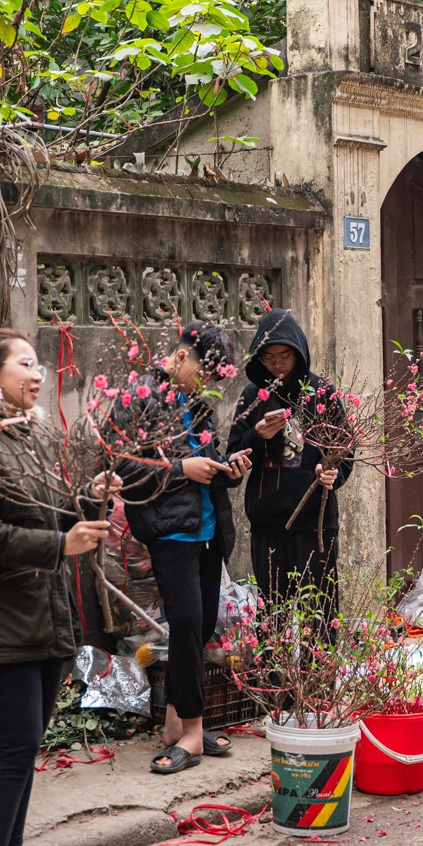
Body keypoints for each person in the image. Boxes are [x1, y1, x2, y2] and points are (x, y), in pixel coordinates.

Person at [0, 329, 114, 846]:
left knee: (24, 749)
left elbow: (44, 512)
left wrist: (86, 495)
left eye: (39, 366)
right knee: (16, 748)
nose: (38, 375)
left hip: (42, 610)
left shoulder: (26, 436)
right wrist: (61, 546)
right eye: (26, 365)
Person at [103, 322, 249, 775]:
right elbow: (123, 466)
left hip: (208, 529)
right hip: (170, 533)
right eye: (204, 374)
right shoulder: (139, 398)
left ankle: (176, 722)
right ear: (182, 357)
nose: (206, 385)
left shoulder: (198, 405)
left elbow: (209, 458)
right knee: (185, 623)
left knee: (201, 624)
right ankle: (191, 733)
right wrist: (183, 468)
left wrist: (230, 469)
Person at [226, 309, 352, 610]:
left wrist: (331, 474)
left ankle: (319, 661)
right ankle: (274, 662)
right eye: (269, 358)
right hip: (268, 520)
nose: (277, 364)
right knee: (273, 614)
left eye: (284, 355)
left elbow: (344, 448)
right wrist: (257, 434)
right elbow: (233, 458)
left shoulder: (322, 394)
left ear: (299, 353)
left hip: (315, 521)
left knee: (319, 614)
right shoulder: (252, 395)